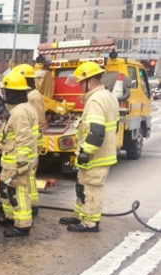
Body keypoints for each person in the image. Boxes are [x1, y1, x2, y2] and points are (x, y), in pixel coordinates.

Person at [59, 61, 118, 232]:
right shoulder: (107, 96)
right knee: (83, 185)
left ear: (90, 82)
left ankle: (90, 223)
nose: (78, 86)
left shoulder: (96, 100)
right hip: (99, 154)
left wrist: (85, 152)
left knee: (92, 188)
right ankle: (81, 215)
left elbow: (96, 132)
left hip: (95, 156)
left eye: (80, 83)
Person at [0, 72, 39, 237]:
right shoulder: (22, 108)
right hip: (10, 160)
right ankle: (10, 217)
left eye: (5, 92)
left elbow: (23, 139)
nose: (3, 95)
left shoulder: (20, 112)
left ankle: (22, 225)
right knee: (6, 188)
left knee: (18, 191)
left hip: (16, 161)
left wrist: (21, 162)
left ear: (13, 92)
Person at [12, 63, 46, 215]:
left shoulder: (33, 96)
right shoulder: (29, 95)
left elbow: (37, 121)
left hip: (32, 141)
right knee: (29, 176)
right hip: (31, 140)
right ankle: (32, 203)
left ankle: (32, 205)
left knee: (29, 175)